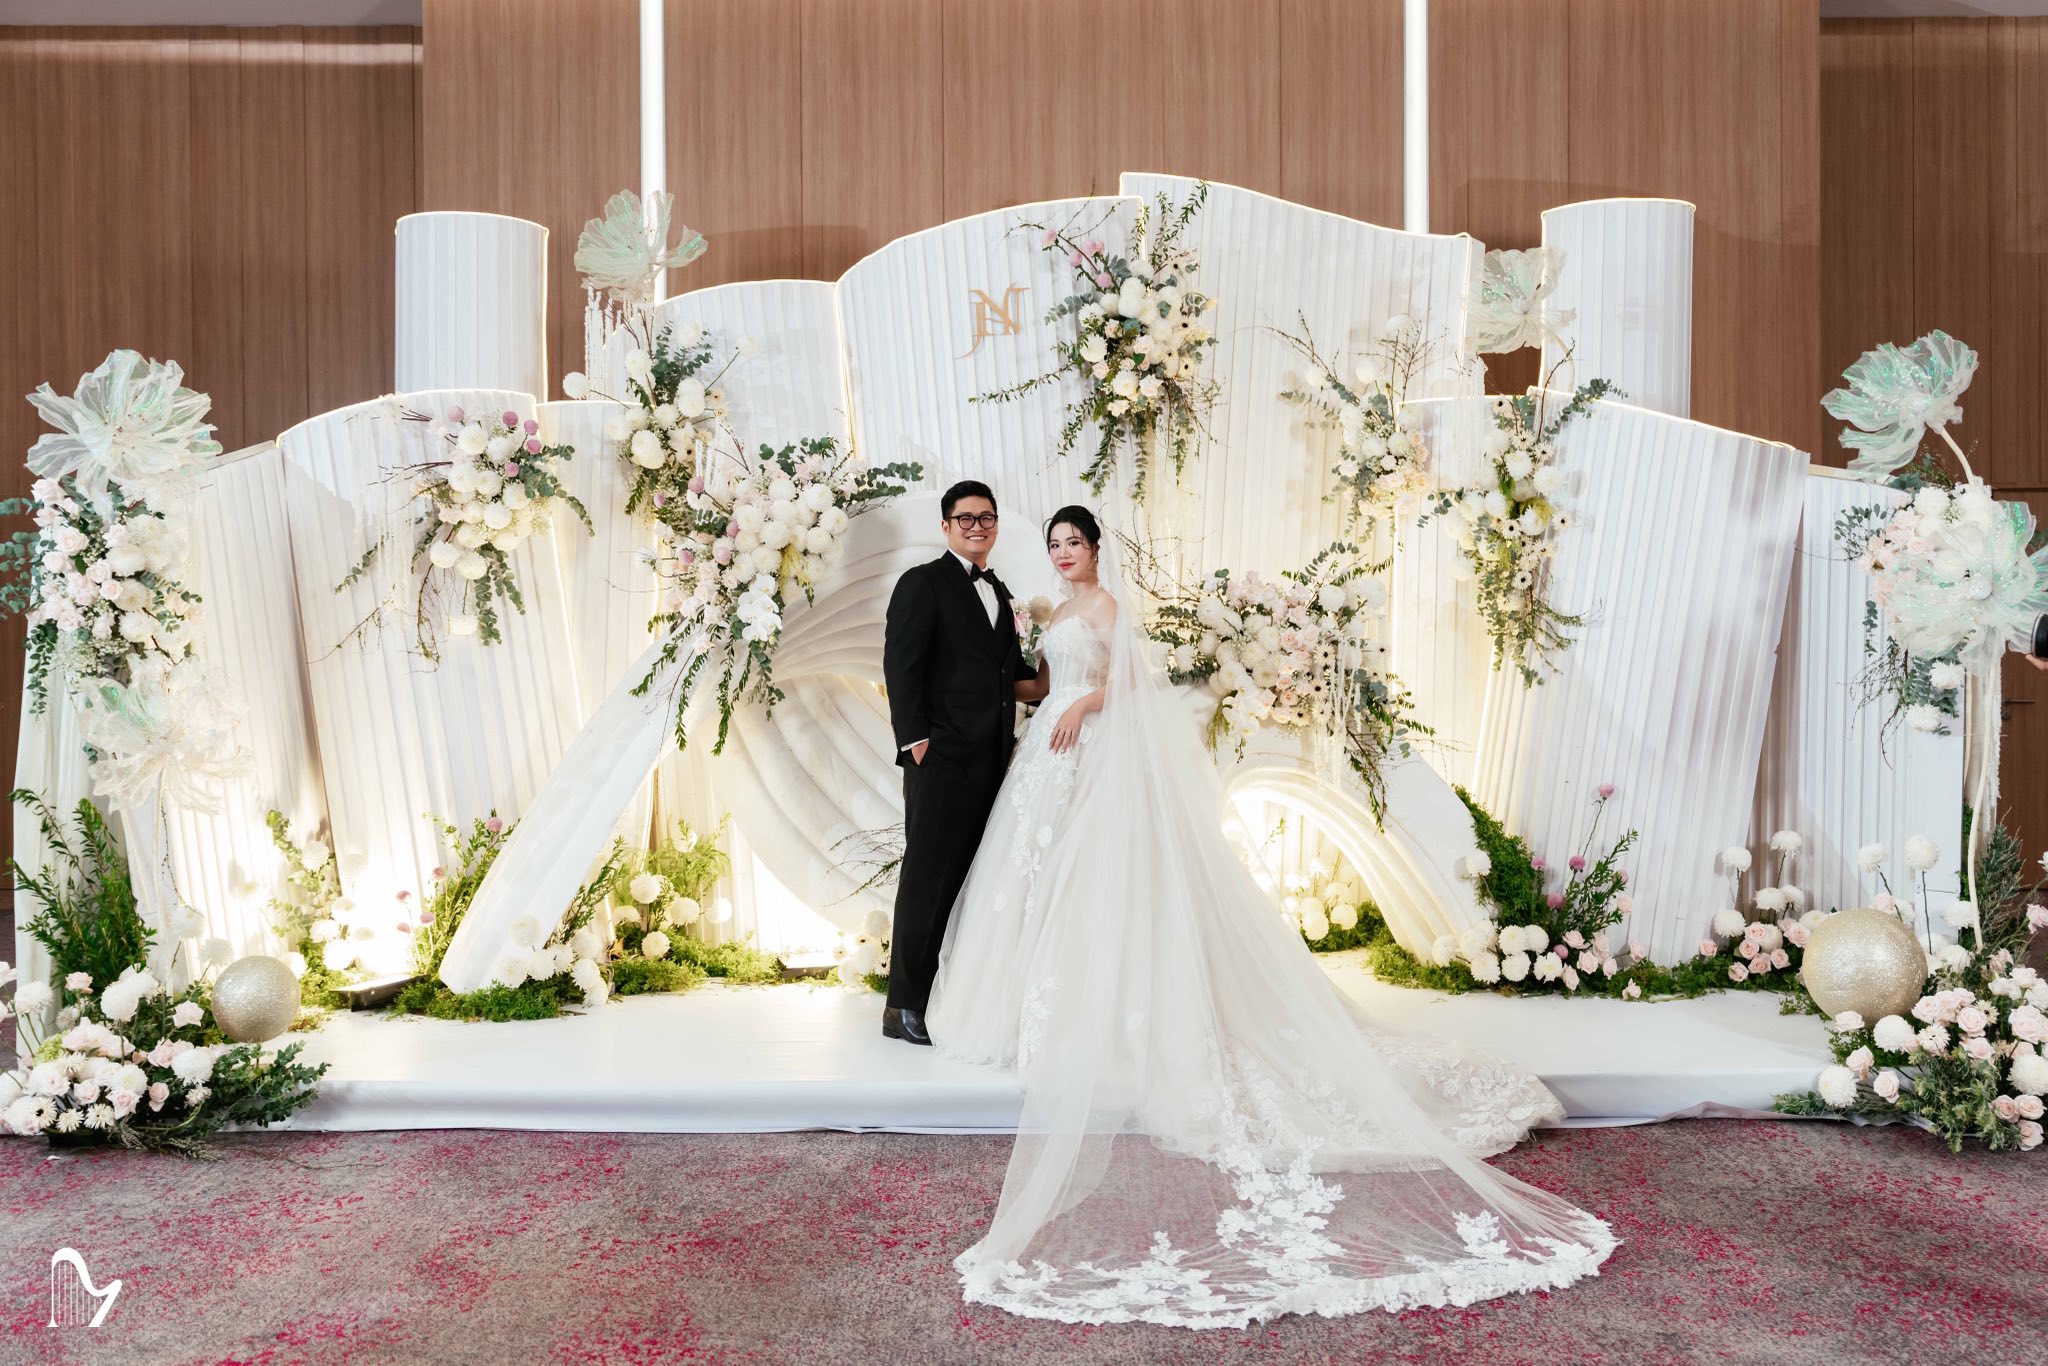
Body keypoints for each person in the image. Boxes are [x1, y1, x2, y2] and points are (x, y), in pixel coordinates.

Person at [925, 505, 1616, 1329]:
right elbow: (1043, 682)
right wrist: (1000, 690)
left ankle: (1112, 1019)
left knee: (1096, 881)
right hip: (1049, 757)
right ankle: (1041, 1010)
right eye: (1055, 545)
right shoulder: (1057, 610)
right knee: (1032, 881)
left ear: (1097, 549)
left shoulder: (1107, 606)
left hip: (1093, 749)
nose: (1064, 553)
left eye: (1074, 542)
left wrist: (1084, 705)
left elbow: (1132, 682)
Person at [879, 480, 1038, 1046]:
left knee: (971, 881)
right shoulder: (922, 582)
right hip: (941, 759)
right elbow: (900, 666)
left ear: (996, 525)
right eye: (965, 518)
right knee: (927, 879)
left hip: (994, 760)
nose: (977, 526)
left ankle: (946, 999)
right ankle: (902, 1006)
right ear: (945, 526)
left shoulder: (1001, 592)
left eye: (986, 517)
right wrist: (916, 742)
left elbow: (1009, 676)